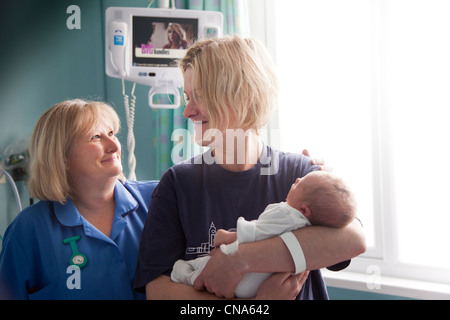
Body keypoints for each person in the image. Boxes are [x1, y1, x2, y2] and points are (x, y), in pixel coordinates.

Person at [134, 35, 366, 300]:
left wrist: (240, 260)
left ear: (243, 95)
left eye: (199, 96)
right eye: (187, 97)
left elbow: (353, 240)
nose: (187, 111)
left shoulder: (299, 174)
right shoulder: (177, 184)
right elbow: (158, 291)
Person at [0, 99, 158, 299]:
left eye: (111, 134)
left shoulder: (159, 200)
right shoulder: (27, 231)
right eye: (96, 137)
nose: (113, 146)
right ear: (62, 157)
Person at [170, 170, 357, 298]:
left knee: (202, 265)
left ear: (305, 209)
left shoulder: (287, 214)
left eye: (302, 184)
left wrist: (228, 237)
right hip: (257, 285)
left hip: (246, 281)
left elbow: (257, 231)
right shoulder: (311, 224)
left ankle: (188, 275)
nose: (298, 179)